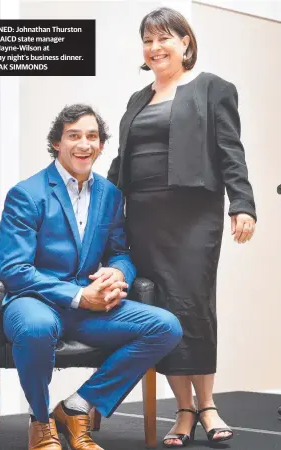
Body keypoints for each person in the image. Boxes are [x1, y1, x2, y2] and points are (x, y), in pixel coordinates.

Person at [108, 7, 257, 448]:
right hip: (144, 216)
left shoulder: (213, 89)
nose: (155, 48)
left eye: (164, 39)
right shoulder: (138, 99)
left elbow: (231, 149)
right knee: (162, 308)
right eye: (148, 40)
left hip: (193, 214)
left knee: (193, 302)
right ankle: (184, 409)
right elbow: (123, 160)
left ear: (185, 43)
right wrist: (104, 210)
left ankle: (207, 404)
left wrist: (242, 204)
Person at [0, 104, 183, 450]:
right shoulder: (27, 194)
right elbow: (15, 270)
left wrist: (116, 272)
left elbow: (120, 252)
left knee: (166, 326)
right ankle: (40, 422)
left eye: (92, 136)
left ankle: (77, 406)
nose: (84, 144)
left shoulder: (110, 195)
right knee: (37, 328)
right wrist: (80, 296)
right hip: (36, 301)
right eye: (74, 135)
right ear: (57, 143)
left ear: (100, 145)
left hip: (90, 307)